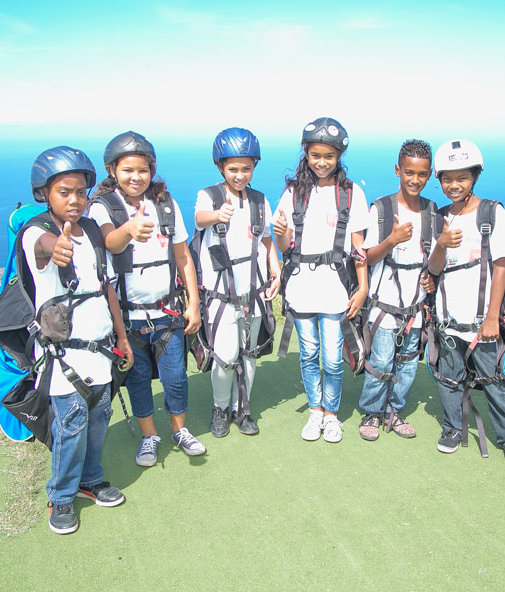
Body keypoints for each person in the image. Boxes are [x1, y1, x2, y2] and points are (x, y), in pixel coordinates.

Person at [25, 146, 131, 534]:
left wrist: (122, 337)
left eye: (81, 192)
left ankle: (90, 479)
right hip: (64, 357)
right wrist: (58, 248)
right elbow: (43, 248)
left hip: (101, 348)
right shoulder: (38, 232)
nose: (75, 200)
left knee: (99, 420)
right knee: (71, 426)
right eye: (64, 192)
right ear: (45, 194)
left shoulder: (90, 231)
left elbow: (107, 288)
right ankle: (61, 496)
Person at [88, 132, 205, 467]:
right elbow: (110, 241)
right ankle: (149, 436)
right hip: (128, 317)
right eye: (127, 170)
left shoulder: (165, 205)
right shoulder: (103, 206)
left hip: (167, 311)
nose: (135, 177)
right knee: (138, 380)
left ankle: (179, 430)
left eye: (142, 170)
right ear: (112, 171)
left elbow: (183, 257)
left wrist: (193, 304)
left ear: (151, 170)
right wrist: (129, 230)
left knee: (176, 377)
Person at [426, 139, 505, 467]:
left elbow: (501, 266)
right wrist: (440, 243)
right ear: (439, 179)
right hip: (448, 317)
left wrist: (492, 317)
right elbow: (434, 269)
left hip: (482, 317)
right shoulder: (439, 217)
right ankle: (453, 428)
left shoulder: (491, 212)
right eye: (447, 178)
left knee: (493, 380)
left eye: (463, 178)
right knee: (448, 378)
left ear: (474, 178)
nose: (454, 185)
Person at [274, 117, 369, 443]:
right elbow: (286, 246)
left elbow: (358, 246)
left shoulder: (351, 193)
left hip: (335, 286)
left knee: (331, 355)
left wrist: (363, 286)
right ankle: (316, 411)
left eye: (329, 156)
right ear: (306, 153)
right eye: (316, 155)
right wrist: (281, 236)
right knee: (309, 353)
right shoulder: (293, 193)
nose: (322, 162)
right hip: (301, 285)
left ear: (339, 156)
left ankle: (332, 414)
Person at [194, 128, 282, 437]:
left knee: (249, 354)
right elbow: (199, 218)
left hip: (254, 290)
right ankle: (220, 408)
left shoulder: (259, 201)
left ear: (254, 167)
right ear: (220, 167)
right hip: (221, 294)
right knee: (225, 356)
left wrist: (276, 273)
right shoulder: (210, 196)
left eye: (246, 168)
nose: (240, 174)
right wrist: (217, 214)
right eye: (233, 168)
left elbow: (267, 241)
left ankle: (241, 409)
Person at [357, 140, 438, 441]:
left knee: (406, 364)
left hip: (415, 306)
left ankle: (395, 409)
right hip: (384, 304)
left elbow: (434, 257)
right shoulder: (381, 209)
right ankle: (372, 412)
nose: (415, 180)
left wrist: (431, 278)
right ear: (397, 171)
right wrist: (391, 239)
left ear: (428, 175)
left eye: (422, 174)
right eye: (409, 173)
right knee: (379, 363)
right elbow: (367, 257)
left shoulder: (432, 212)